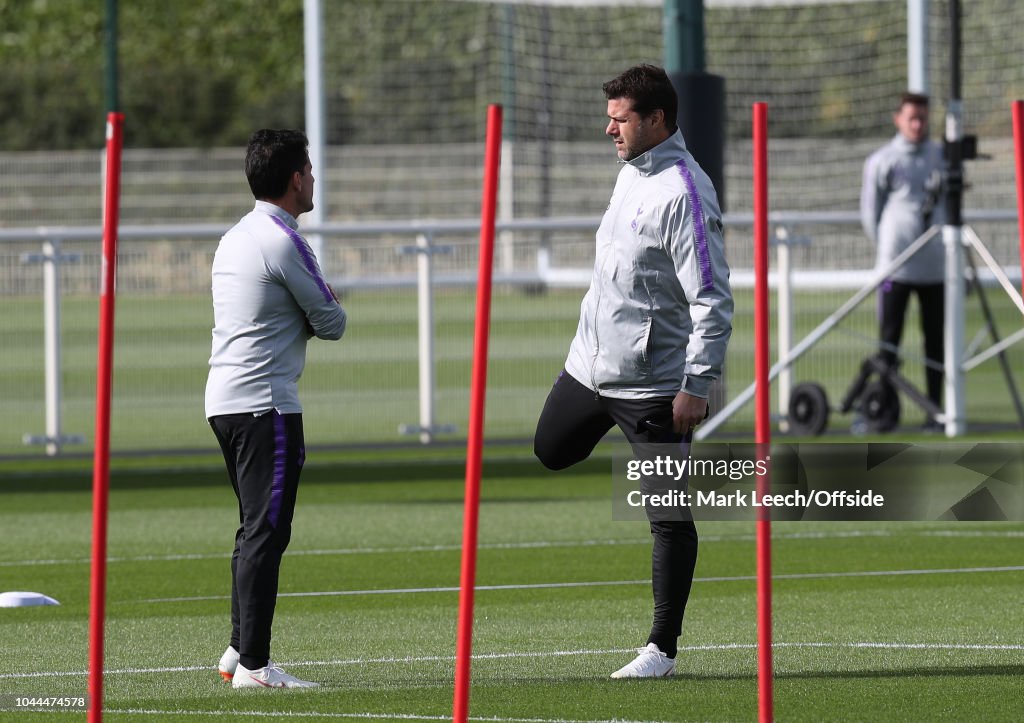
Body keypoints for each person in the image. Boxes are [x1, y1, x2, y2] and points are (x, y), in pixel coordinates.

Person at [534, 64, 733, 678]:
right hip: (589, 369)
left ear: (656, 120)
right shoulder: (630, 173)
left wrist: (696, 386)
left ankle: (662, 648)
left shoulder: (684, 192)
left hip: (653, 385)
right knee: (550, 448)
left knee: (667, 515)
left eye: (619, 119)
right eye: (611, 117)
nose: (608, 129)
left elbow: (714, 301)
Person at [205, 128, 347, 688]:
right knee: (266, 531)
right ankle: (257, 668)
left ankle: (239, 651)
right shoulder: (282, 239)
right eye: (308, 170)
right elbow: (333, 321)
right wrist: (308, 318)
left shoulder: (236, 235)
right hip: (267, 405)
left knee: (252, 528)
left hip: (225, 400)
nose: (313, 179)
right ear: (294, 178)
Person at [860, 92, 946, 430]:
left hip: (935, 268)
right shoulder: (882, 160)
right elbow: (871, 213)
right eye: (912, 117)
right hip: (896, 267)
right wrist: (889, 247)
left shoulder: (942, 156)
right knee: (889, 342)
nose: (918, 124)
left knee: (935, 343)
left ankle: (936, 413)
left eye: (923, 118)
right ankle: (883, 412)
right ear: (898, 119)